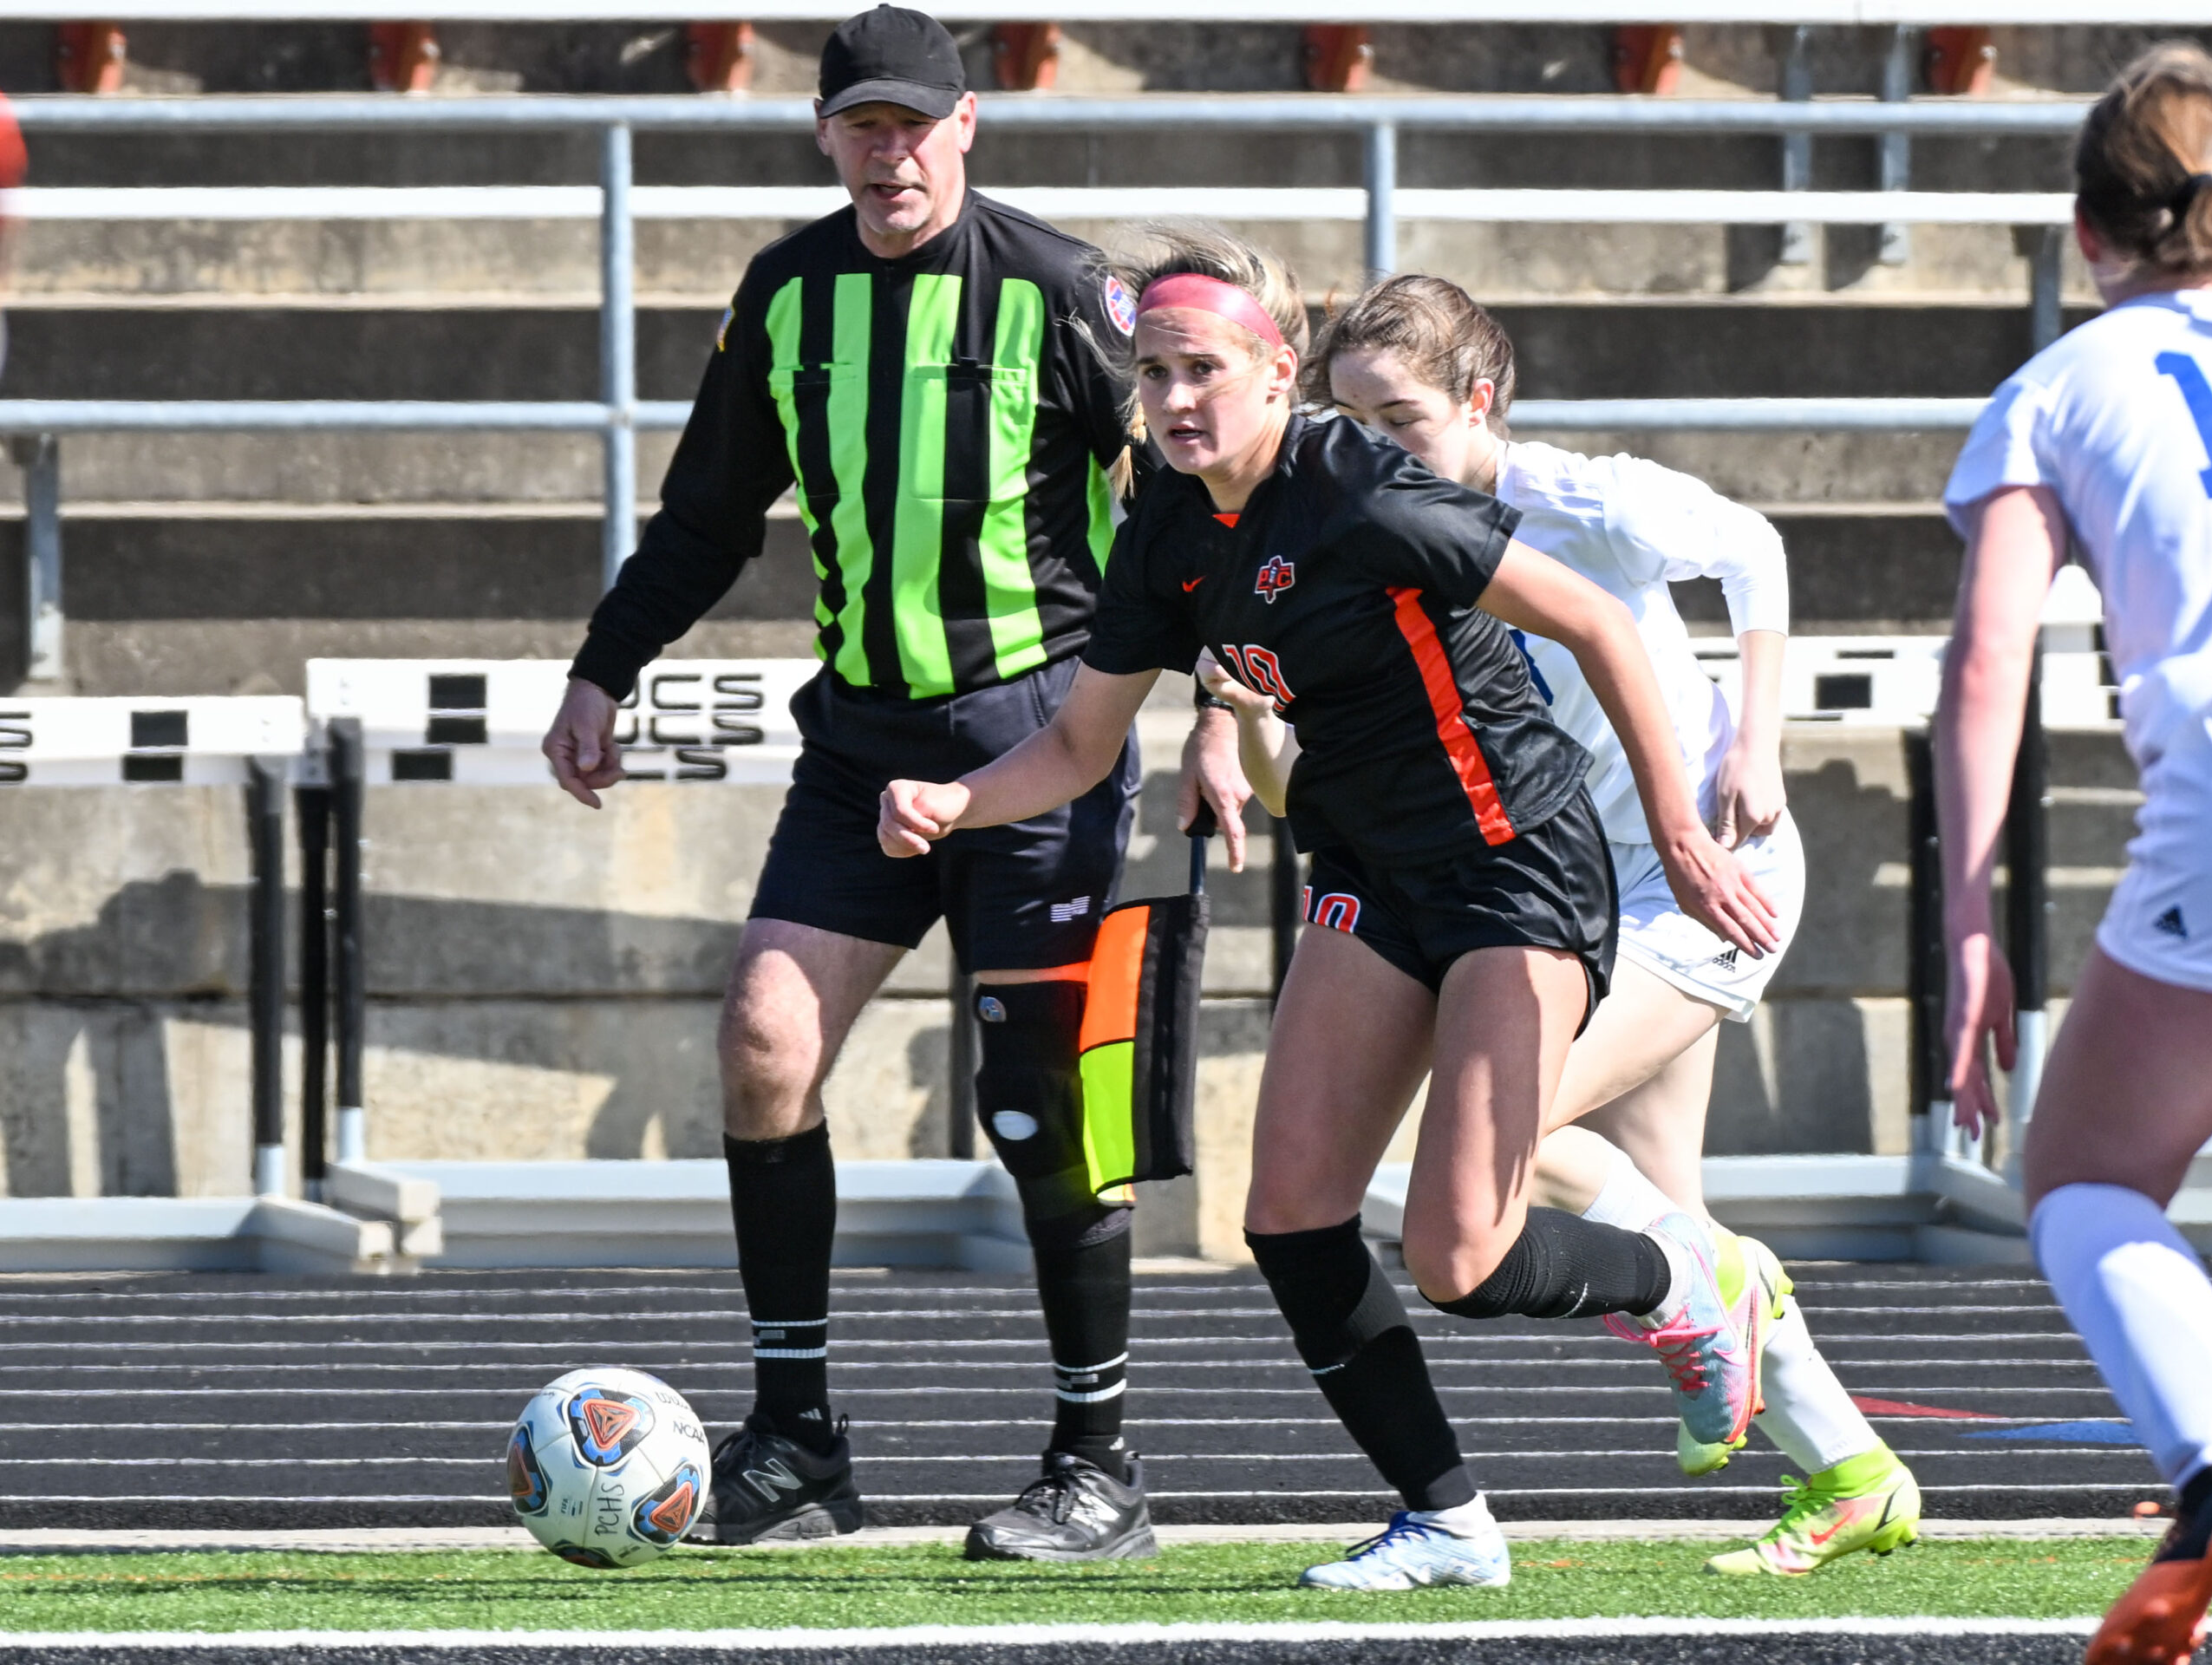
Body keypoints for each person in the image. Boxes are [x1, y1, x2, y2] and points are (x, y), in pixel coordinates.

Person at [877, 221, 1782, 1590]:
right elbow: (1073, 748)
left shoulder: (1359, 486)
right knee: (1292, 1216)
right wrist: (952, 800)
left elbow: (1597, 622)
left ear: (1276, 373)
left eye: (1202, 370)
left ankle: (1691, 1283)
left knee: (1461, 1256)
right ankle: (1449, 1523)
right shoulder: (1166, 525)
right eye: (1153, 373)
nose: (1174, 398)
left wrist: (1682, 832)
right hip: (1366, 871)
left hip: (1513, 865)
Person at [540, 6, 1248, 1563]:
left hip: (1040, 734)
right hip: (860, 746)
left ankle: (1099, 1464)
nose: (889, 153)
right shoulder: (786, 294)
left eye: (914, 125)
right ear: (825, 136)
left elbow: (1190, 499)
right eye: (862, 125)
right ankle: (797, 1445)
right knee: (763, 1040)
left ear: (965, 126)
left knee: (1038, 1102)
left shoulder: (1060, 289)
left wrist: (1219, 704)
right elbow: (707, 515)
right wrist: (604, 667)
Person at [1273, 273, 1920, 1577]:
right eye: (1348, 422)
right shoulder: (1374, 532)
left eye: (1400, 420)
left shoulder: (1582, 499)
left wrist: (1757, 740)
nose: (1373, 448)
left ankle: (1718, 1297)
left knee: (1513, 1142)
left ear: (1480, 400)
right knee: (1669, 1214)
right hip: (1576, 887)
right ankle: (1855, 1473)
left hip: (1711, 874)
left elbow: (1754, 547)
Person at [1935, 43, 2212, 1665]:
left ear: (2087, 229)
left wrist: (1971, 920)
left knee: (2090, 1182)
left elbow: (1991, 666)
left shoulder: (2061, 385)